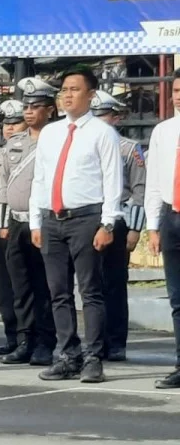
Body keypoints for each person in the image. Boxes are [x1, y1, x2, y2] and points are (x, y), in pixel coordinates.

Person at [30, 67, 123, 384]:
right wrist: (36, 220)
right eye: (64, 89)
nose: (67, 95)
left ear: (91, 95)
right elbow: (40, 179)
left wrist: (107, 223)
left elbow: (113, 182)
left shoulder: (102, 133)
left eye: (74, 89)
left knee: (90, 291)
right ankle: (68, 354)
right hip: (52, 220)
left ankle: (94, 357)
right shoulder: (51, 133)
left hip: (86, 219)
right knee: (58, 293)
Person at [0, 79, 57, 367]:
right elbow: (5, 186)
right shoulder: (14, 144)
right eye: (27, 107)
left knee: (44, 286)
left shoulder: (56, 140)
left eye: (36, 107)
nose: (30, 112)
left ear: (50, 110)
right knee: (20, 287)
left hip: (45, 223)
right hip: (17, 223)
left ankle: (46, 342)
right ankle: (25, 340)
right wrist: (5, 221)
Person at [91, 90, 146, 362]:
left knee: (113, 284)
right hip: (89, 220)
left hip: (120, 221)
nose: (99, 121)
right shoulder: (85, 145)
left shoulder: (128, 148)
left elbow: (139, 191)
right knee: (91, 285)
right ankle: (95, 341)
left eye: (103, 116)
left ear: (116, 117)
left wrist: (135, 229)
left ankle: (115, 342)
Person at [145, 70, 180, 389]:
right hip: (173, 217)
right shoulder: (164, 131)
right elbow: (154, 181)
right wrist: (153, 226)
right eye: (176, 90)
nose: (178, 95)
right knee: (177, 297)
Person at [0, 99, 25, 356]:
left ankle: (27, 337)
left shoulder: (35, 150)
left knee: (23, 284)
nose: (9, 128)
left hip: (20, 223)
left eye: (15, 122)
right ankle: (11, 336)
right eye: (6, 123)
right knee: (2, 283)